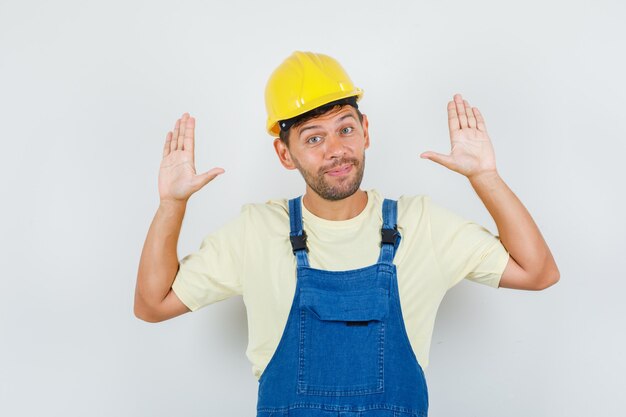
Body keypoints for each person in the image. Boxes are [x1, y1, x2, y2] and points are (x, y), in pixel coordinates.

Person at [134, 51, 559, 417]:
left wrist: (485, 177)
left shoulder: (422, 224)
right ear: (285, 154)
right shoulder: (256, 231)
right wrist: (172, 205)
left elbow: (538, 272)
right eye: (313, 137)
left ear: (366, 131)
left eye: (345, 128)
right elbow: (152, 305)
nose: (336, 149)